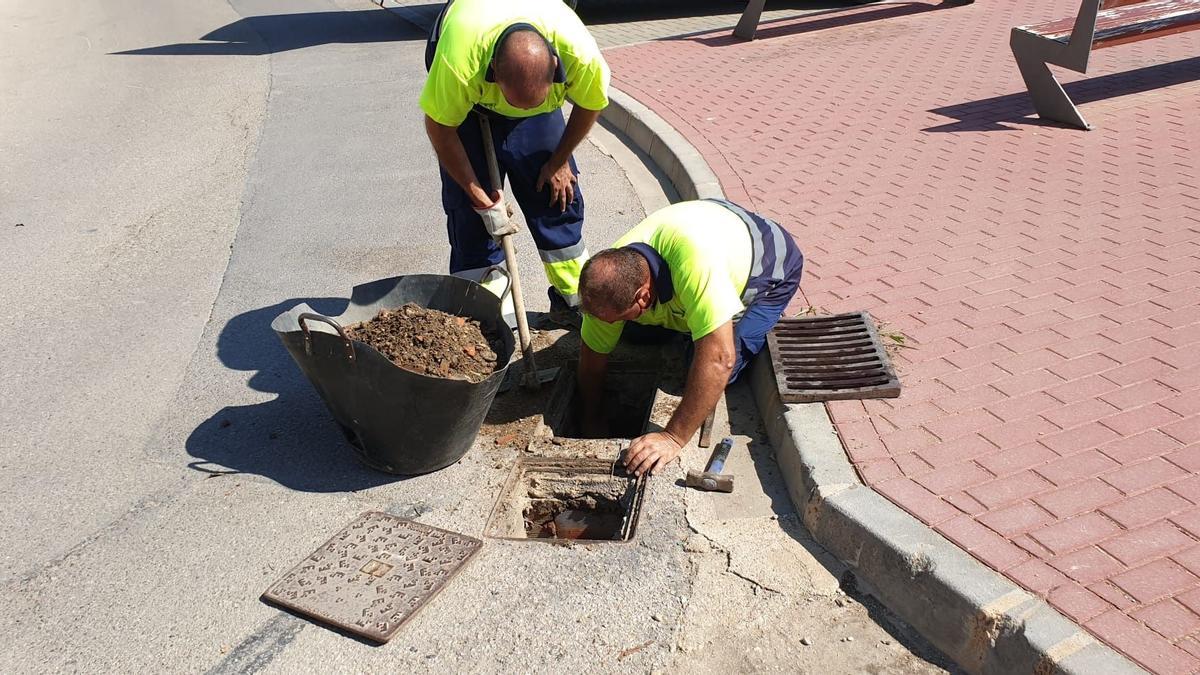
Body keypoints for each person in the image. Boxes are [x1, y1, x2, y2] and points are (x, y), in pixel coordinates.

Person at [577, 199, 804, 476]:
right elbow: (592, 356)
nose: (607, 323)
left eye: (614, 316)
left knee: (706, 373)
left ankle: (722, 315)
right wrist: (590, 419)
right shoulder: (609, 280)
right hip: (710, 221)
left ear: (644, 296)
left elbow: (721, 361)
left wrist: (672, 438)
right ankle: (697, 320)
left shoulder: (695, 265)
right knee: (631, 334)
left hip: (770, 266)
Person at [421, 0, 610, 325]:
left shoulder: (580, 54)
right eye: (514, 102)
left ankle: (576, 305)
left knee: (557, 199)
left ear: (554, 65)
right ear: (493, 71)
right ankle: (490, 323)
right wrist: (479, 198)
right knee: (473, 222)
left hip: (536, 106)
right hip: (469, 110)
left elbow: (591, 105)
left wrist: (559, 159)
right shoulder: (459, 63)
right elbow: (440, 126)